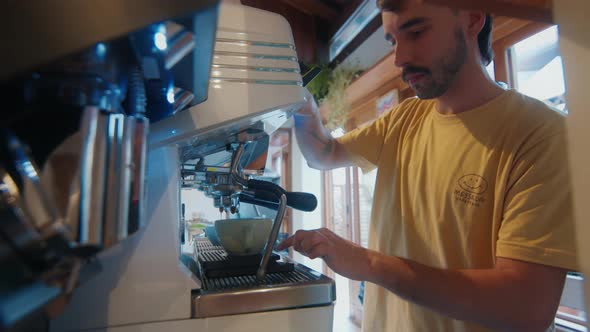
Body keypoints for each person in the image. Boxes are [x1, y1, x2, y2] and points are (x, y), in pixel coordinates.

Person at [276, 0, 579, 331]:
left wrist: (368, 262)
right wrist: (303, 109)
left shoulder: (542, 134)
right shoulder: (405, 118)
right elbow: (324, 154)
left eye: (416, 32)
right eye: (394, 40)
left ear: (474, 18)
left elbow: (526, 309)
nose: (399, 58)